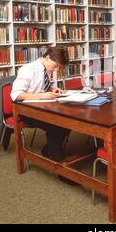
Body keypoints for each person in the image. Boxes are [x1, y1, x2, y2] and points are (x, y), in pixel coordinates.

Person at [11, 47, 76, 185]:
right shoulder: (27, 69)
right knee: (56, 126)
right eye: (56, 66)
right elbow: (16, 95)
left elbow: (40, 87)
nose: (56, 70)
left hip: (41, 107)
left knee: (68, 122)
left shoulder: (44, 68)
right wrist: (43, 95)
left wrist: (52, 89)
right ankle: (62, 170)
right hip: (26, 111)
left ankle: (49, 149)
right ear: (47, 58)